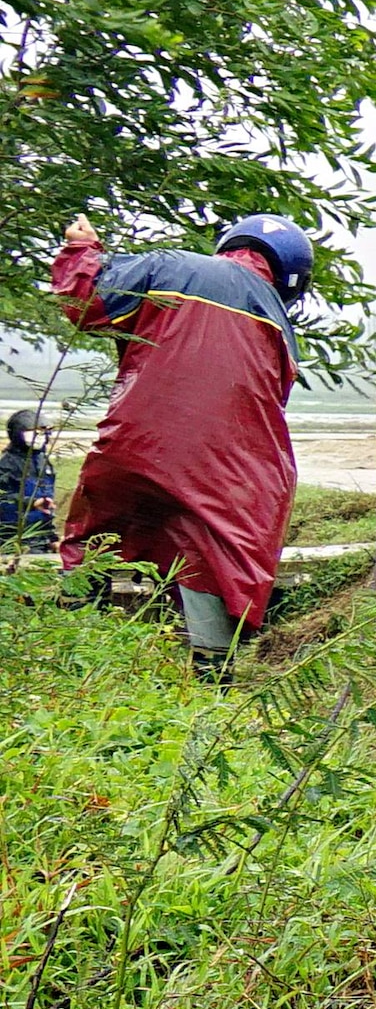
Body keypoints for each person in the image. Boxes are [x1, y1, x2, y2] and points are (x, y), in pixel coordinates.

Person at [42, 214, 311, 682]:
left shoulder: (166, 267)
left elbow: (86, 304)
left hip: (135, 446)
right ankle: (212, 674)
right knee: (218, 552)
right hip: (225, 472)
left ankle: (67, 648)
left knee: (97, 529)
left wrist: (80, 249)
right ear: (289, 276)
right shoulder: (279, 324)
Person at [1, 405, 52, 549]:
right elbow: (4, 498)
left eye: (43, 433)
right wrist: (30, 502)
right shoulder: (7, 464)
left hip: (40, 536)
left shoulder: (43, 463)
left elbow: (48, 504)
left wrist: (51, 536)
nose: (39, 438)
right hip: (12, 535)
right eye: (32, 433)